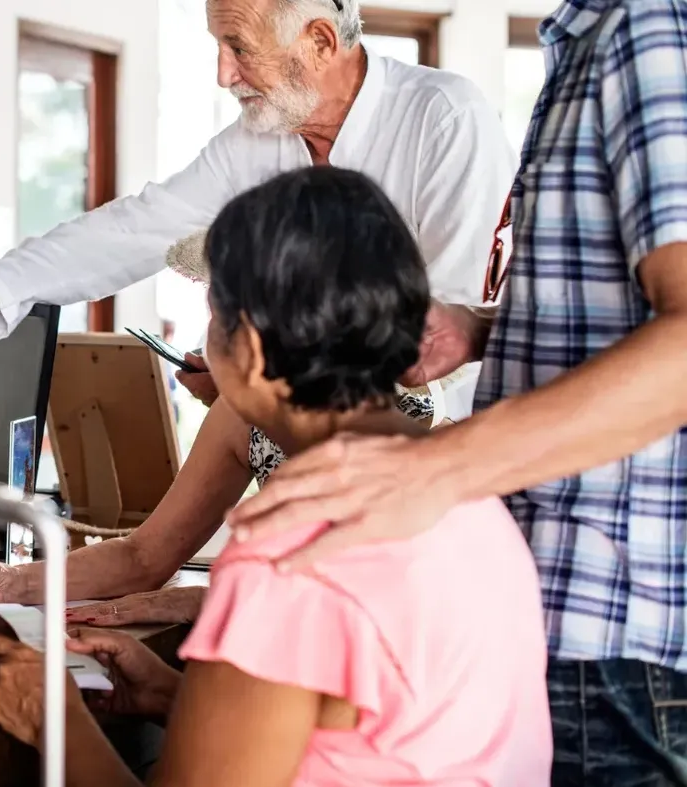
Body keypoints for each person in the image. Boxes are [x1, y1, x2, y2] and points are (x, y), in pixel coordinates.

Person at [0, 0, 512, 623]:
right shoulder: (264, 135)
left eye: (239, 47)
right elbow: (139, 226)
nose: (224, 74)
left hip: (448, 485)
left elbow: (441, 341)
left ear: (320, 41)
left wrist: (260, 379)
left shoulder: (444, 118)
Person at [225, 0, 687, 783]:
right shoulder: (591, 38)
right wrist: (485, 328)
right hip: (572, 616)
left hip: (612, 631)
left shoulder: (646, 30)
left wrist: (434, 468)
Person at [0, 167, 551, 786]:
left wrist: (55, 724)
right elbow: (383, 739)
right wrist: (173, 697)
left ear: (251, 350)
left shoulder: (290, 558)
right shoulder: (474, 502)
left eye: (213, 314)